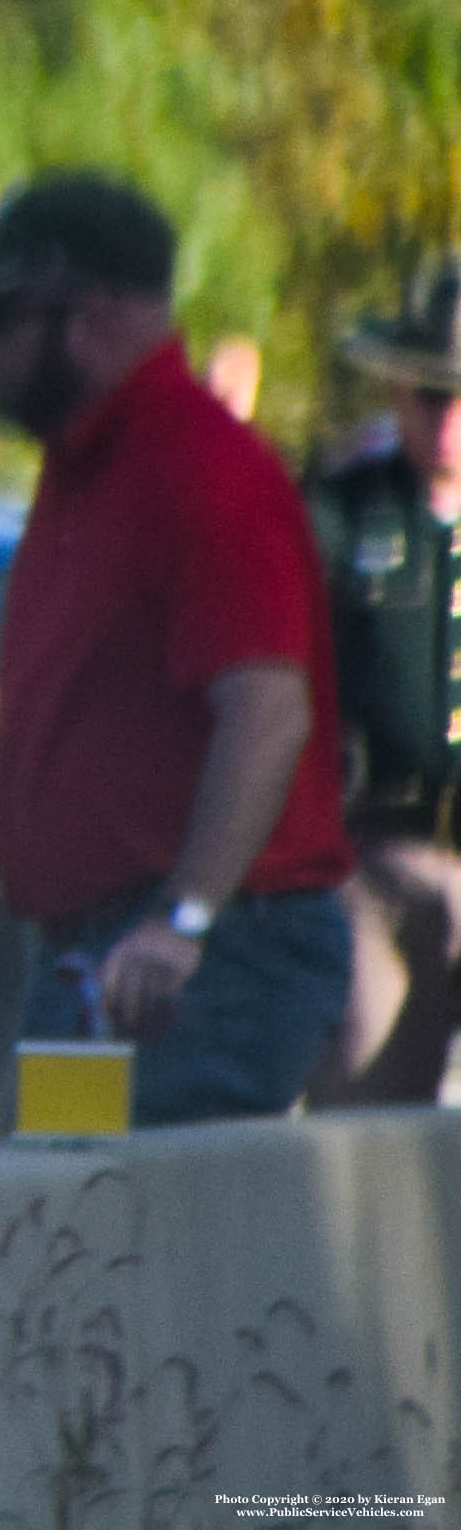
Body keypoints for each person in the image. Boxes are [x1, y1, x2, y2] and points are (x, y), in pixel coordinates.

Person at [0, 171, 355, 1124]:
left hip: (193, 963)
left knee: (105, 1244)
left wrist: (185, 918)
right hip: (108, 958)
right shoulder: (92, 467)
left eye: (0, 315)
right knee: (46, 1234)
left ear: (80, 317)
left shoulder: (199, 469)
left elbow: (267, 710)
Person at [304, 255, 461, 1106]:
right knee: (368, 1116)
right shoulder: (350, 505)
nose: (445, 420)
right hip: (379, 854)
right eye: (429, 393)